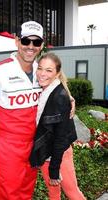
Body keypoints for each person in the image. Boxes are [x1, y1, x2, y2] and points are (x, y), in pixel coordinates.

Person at [0, 21, 44, 200]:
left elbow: (57, 92)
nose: (31, 46)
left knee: (26, 193)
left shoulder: (43, 72)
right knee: (9, 195)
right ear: (16, 41)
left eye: (36, 42)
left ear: (42, 45)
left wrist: (71, 99)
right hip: (7, 146)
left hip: (34, 144)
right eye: (26, 41)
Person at [29, 53, 86, 200]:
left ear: (57, 73)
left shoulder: (60, 97)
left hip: (58, 155)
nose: (42, 74)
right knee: (53, 194)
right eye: (40, 68)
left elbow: (61, 138)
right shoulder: (42, 89)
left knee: (73, 193)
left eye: (49, 70)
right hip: (45, 151)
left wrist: (54, 169)